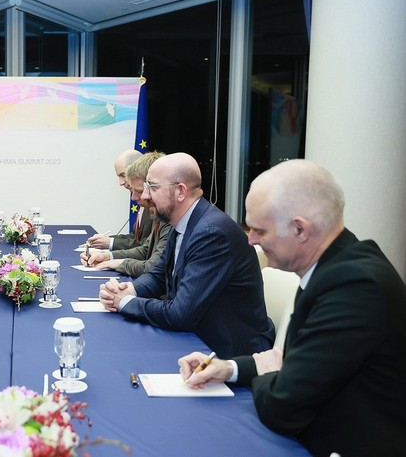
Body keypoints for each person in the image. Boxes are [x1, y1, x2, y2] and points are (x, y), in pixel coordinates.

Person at [178, 160, 406, 457]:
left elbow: (282, 406)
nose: (251, 240)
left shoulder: (353, 286)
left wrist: (271, 373)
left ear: (300, 229)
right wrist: (229, 368)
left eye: (260, 230)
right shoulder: (336, 266)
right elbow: (291, 361)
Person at [99, 152, 274, 358]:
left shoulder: (211, 233)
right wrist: (128, 289)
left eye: (153, 187)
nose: (144, 197)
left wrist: (125, 302)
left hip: (227, 352)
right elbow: (158, 276)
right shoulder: (181, 221)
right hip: (196, 338)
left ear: (180, 192)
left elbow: (180, 314)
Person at [82, 152, 170, 277]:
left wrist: (117, 263)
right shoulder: (160, 213)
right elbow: (145, 249)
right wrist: (107, 256)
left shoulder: (168, 219)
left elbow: (153, 267)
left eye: (139, 191)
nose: (134, 197)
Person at [86, 149, 152, 251]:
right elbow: (135, 237)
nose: (121, 183)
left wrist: (111, 244)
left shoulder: (152, 203)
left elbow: (146, 246)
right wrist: (108, 240)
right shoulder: (140, 198)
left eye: (123, 175)